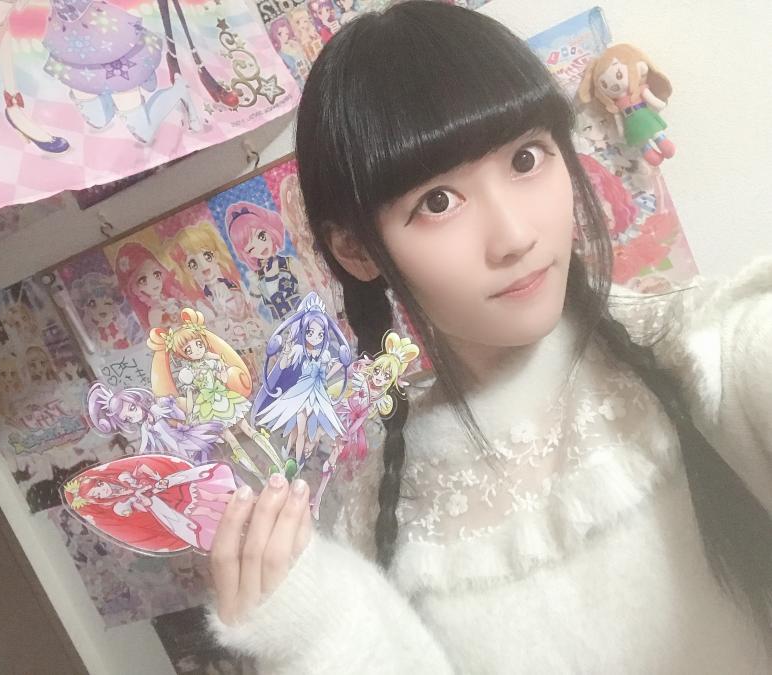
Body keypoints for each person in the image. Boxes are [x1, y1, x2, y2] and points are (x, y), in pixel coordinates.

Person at [204, 3, 772, 672]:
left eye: (527, 158)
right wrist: (308, 632)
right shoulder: (377, 514)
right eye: (438, 202)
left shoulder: (698, 352)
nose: (515, 236)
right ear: (356, 249)